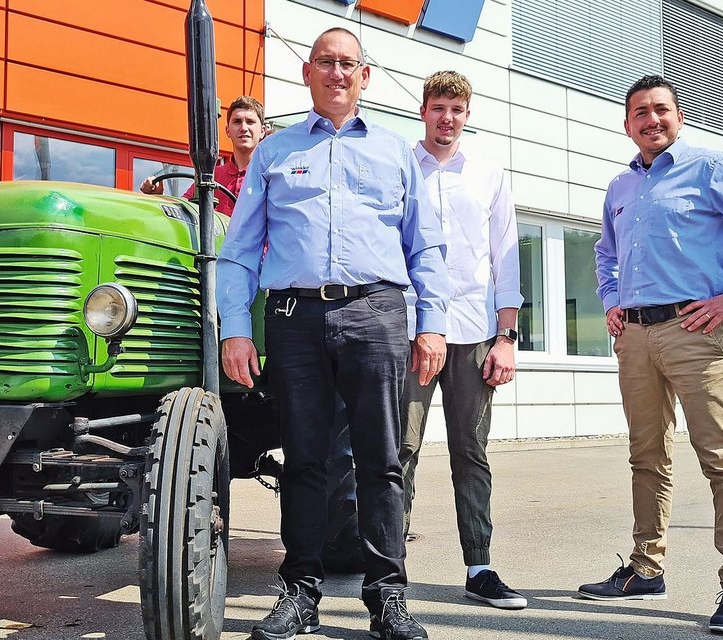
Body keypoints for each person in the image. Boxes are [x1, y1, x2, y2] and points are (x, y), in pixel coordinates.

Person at [217, 27, 449, 640]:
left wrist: (432, 325)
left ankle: (388, 597)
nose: (338, 72)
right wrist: (236, 330)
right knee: (305, 462)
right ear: (307, 73)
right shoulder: (273, 152)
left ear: (364, 76)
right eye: (326, 62)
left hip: (377, 315)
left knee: (381, 461)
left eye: (349, 63)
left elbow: (425, 246)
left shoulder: (399, 152)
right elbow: (239, 251)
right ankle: (299, 594)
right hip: (293, 319)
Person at [579, 75, 723, 635]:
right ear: (626, 125)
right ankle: (646, 567)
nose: (651, 120)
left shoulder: (710, 168)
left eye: (660, 110)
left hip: (694, 332)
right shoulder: (620, 188)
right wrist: (611, 300)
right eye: (639, 114)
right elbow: (605, 251)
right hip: (634, 336)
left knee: (722, 458)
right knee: (645, 455)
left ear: (677, 115)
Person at [398, 70, 526, 611]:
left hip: (475, 332)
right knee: (397, 450)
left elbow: (507, 258)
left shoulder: (490, 175)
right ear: (423, 111)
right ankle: (388, 571)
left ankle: (480, 566)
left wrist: (507, 337)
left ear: (467, 114)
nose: (446, 118)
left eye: (456, 109)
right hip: (412, 329)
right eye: (438, 107)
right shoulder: (402, 167)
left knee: (470, 452)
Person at [140, 95, 267, 215]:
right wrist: (158, 196)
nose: (243, 128)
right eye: (237, 122)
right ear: (228, 131)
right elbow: (184, 210)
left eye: (250, 122)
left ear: (262, 131)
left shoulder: (270, 176)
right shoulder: (211, 175)